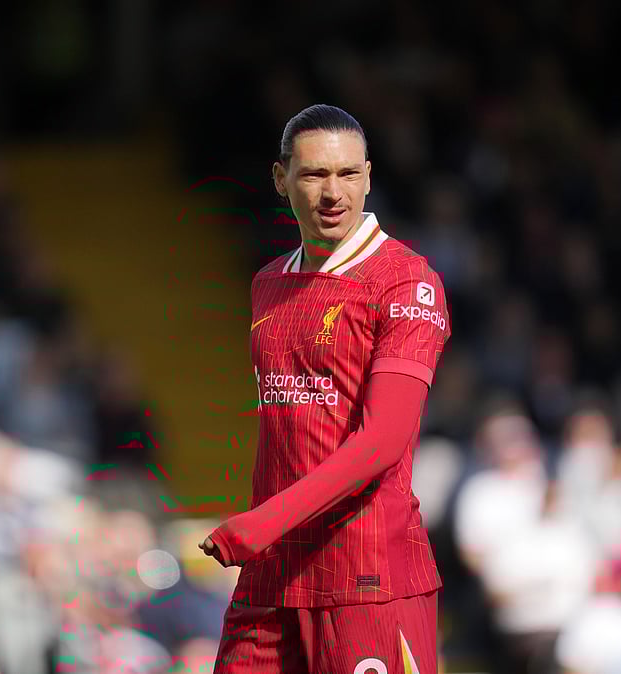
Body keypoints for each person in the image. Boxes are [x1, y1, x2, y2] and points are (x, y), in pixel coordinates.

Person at [198, 104, 451, 674]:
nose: (332, 192)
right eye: (314, 175)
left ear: (368, 176)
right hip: (270, 578)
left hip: (366, 576)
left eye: (347, 174)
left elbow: (384, 440)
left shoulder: (406, 281)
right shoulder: (267, 283)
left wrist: (261, 522)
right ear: (280, 178)